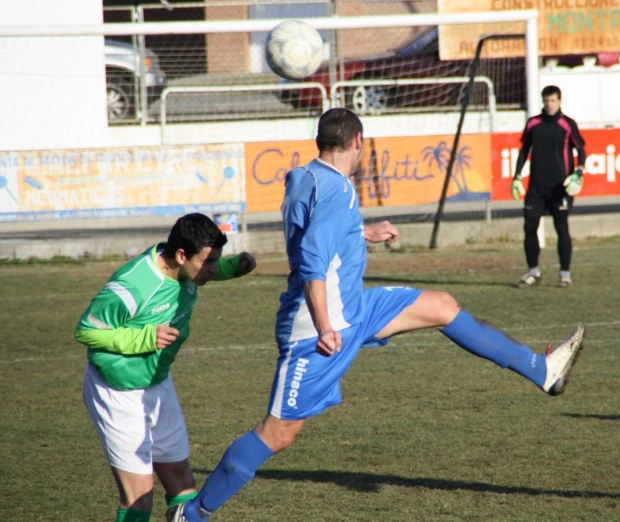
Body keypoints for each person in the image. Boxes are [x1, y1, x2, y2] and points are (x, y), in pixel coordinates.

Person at [170, 108, 586, 522]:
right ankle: (193, 514)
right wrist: (324, 325)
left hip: (355, 308)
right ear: (357, 142)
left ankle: (542, 370)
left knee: (441, 306)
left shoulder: (307, 177)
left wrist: (362, 232)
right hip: (318, 328)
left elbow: (313, 229)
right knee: (278, 434)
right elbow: (313, 260)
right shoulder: (339, 190)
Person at [76, 213, 257, 522]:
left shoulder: (184, 268)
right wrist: (145, 337)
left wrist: (233, 267)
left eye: (217, 260)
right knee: (139, 498)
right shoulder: (133, 284)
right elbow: (86, 330)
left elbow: (203, 271)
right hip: (118, 390)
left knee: (184, 487)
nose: (213, 269)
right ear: (182, 255)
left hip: (158, 381)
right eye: (208, 262)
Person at [512, 85, 586, 288]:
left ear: (559, 101)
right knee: (529, 228)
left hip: (559, 188)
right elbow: (524, 150)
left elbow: (581, 150)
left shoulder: (567, 124)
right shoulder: (533, 123)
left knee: (561, 228)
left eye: (553, 100)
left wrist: (578, 173)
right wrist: (517, 177)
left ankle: (564, 274)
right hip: (536, 187)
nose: (549, 104)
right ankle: (533, 272)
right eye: (546, 101)